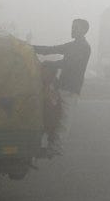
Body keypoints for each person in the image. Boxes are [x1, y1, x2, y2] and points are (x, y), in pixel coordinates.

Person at [33, 18, 91, 156]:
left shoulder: (84, 47)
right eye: (72, 26)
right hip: (60, 87)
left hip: (71, 89)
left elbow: (69, 63)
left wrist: (49, 64)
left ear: (83, 30)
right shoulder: (72, 45)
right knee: (50, 114)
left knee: (64, 119)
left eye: (76, 27)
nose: (72, 29)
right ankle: (45, 143)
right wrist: (29, 47)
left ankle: (56, 148)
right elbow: (51, 49)